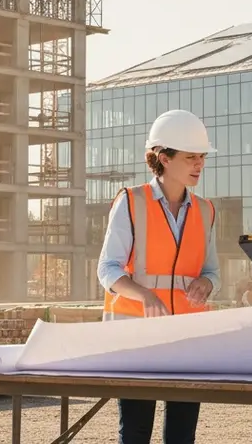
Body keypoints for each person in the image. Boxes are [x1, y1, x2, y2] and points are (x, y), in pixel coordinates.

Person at [97, 109, 220, 444]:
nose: (199, 165)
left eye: (202, 157)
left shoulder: (206, 210)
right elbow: (107, 268)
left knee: (182, 435)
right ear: (163, 158)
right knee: (136, 433)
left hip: (188, 336)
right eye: (191, 157)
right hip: (137, 335)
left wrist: (207, 284)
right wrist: (145, 295)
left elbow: (212, 272)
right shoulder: (131, 202)